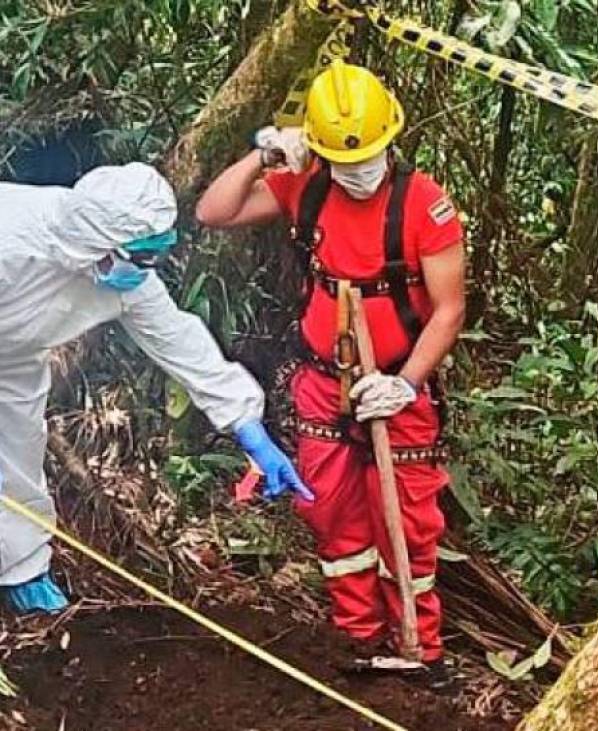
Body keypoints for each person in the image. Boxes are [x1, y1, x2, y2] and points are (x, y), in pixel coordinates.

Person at [195, 61, 465, 686]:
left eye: (369, 156)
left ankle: (420, 649)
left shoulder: (425, 205)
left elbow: (449, 308)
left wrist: (406, 383)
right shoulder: (309, 184)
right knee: (333, 514)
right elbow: (213, 212)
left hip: (398, 383)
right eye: (347, 159)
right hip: (323, 382)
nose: (360, 170)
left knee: (406, 516)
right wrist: (264, 156)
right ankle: (358, 639)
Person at [0, 163, 311, 615]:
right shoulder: (11, 238)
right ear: (97, 244)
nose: (150, 268)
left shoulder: (126, 280)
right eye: (143, 255)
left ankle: (23, 571)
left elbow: (181, 343)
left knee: (19, 455)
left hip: (14, 359)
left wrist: (249, 428)